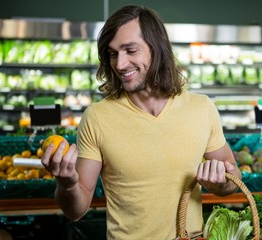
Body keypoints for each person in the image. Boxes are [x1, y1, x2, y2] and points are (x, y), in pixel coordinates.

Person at [41, 5, 242, 240]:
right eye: (113, 53)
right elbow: (76, 210)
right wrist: (67, 184)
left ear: (156, 49)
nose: (120, 64)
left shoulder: (201, 108)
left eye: (130, 50)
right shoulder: (97, 117)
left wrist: (218, 184)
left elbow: (234, 179)